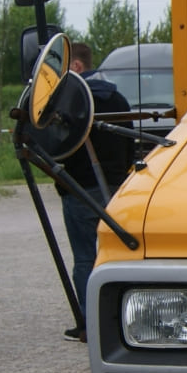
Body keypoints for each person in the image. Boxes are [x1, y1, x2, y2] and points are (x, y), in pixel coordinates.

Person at [59, 43, 131, 342]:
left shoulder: (71, 102)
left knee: (85, 258)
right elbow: (128, 145)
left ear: (76, 66)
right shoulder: (117, 96)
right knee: (115, 255)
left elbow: (60, 147)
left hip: (78, 188)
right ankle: (120, 322)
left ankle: (90, 324)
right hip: (115, 188)